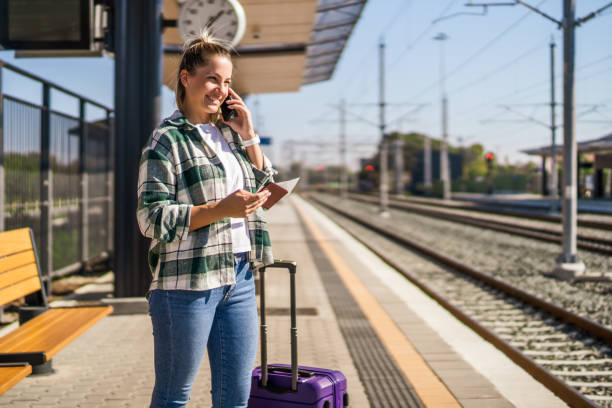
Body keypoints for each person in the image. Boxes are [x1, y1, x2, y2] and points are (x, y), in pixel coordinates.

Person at [136, 31, 275, 408]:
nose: (220, 89)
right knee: (174, 395)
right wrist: (219, 210)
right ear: (186, 78)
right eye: (213, 78)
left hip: (240, 276)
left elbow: (265, 186)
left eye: (227, 82)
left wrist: (249, 137)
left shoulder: (229, 136)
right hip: (187, 282)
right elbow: (150, 218)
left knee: (236, 396)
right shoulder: (166, 140)